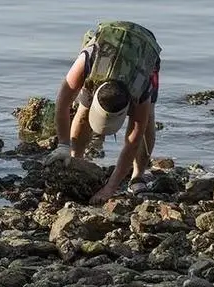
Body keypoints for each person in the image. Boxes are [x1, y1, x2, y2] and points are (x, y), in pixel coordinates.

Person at [44, 21, 162, 204]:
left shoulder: (141, 86)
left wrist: (110, 189)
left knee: (147, 122)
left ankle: (137, 176)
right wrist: (63, 145)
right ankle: (77, 158)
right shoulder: (88, 62)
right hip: (106, 50)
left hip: (143, 48)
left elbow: (133, 140)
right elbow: (63, 103)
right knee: (83, 109)